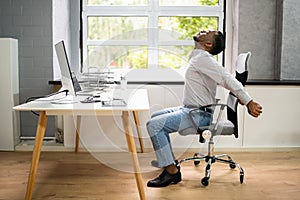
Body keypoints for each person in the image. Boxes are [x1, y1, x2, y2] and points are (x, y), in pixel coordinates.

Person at [146, 30, 263, 187]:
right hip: (190, 109)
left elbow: (227, 78)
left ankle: (172, 172)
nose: (204, 30)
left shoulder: (204, 59)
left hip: (198, 114)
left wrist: (248, 101)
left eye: (208, 32)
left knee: (154, 125)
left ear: (208, 44)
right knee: (155, 117)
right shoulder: (198, 56)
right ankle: (167, 162)